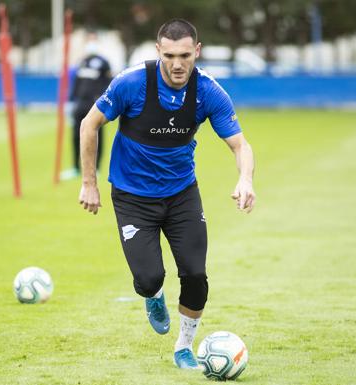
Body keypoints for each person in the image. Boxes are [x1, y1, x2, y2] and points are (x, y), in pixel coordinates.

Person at [78, 19, 256, 369]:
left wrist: (245, 179)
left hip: (181, 195)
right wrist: (89, 182)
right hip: (132, 197)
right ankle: (153, 296)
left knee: (195, 275)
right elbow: (89, 123)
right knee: (148, 278)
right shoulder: (131, 83)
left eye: (185, 55)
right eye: (170, 55)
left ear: (197, 52)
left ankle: (184, 347)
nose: (178, 64)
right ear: (158, 51)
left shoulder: (208, 92)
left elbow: (240, 144)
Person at [63, 32, 112, 180]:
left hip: (96, 105)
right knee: (75, 135)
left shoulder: (104, 62)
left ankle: (96, 167)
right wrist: (70, 102)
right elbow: (76, 84)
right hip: (80, 104)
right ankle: (76, 167)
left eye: (93, 41)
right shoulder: (81, 62)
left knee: (97, 135)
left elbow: (108, 84)